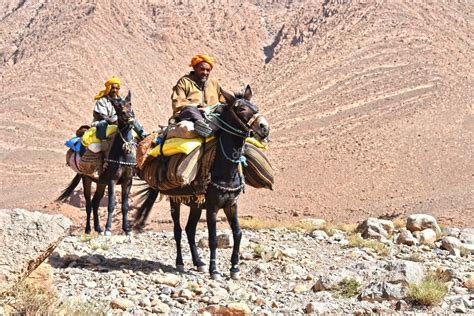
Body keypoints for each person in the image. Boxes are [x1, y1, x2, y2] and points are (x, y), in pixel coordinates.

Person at [170, 54, 225, 137]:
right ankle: (202, 126)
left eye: (208, 70)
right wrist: (199, 109)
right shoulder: (184, 82)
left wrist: (210, 109)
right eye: (202, 69)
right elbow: (178, 103)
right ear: (195, 68)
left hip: (211, 116)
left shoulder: (214, 83)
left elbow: (223, 102)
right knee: (190, 109)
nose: (205, 73)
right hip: (190, 116)